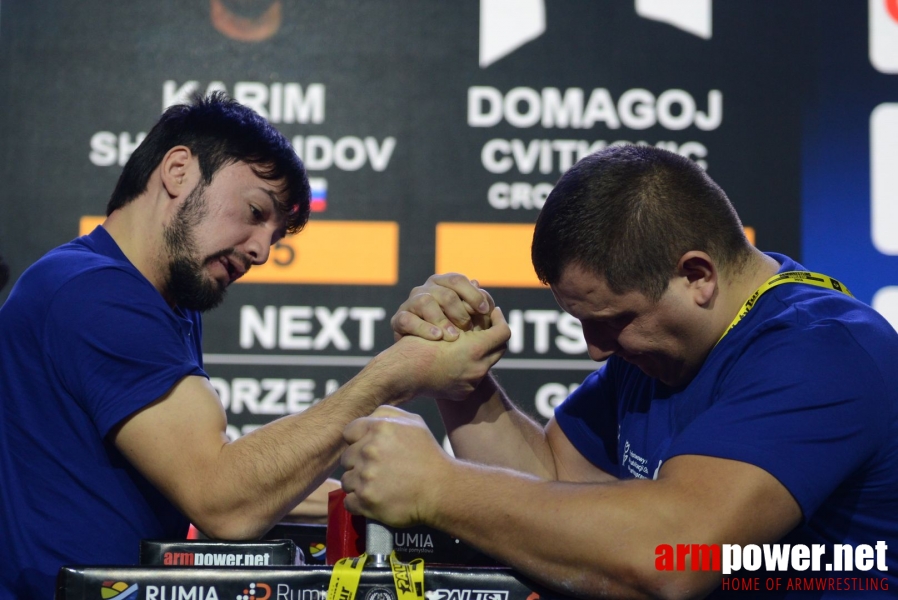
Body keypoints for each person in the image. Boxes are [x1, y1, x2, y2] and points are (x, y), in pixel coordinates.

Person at [0, 92, 509, 598]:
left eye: (276, 235)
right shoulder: (96, 293)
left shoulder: (157, 299)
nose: (262, 250)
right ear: (178, 170)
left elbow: (219, 481)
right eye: (254, 211)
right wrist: (395, 374)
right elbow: (224, 500)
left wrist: (432, 501)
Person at [340, 145, 898, 599]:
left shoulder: (824, 350)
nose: (596, 351)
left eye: (611, 322)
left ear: (697, 275)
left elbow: (676, 556)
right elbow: (550, 484)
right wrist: (463, 385)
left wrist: (439, 487)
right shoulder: (664, 348)